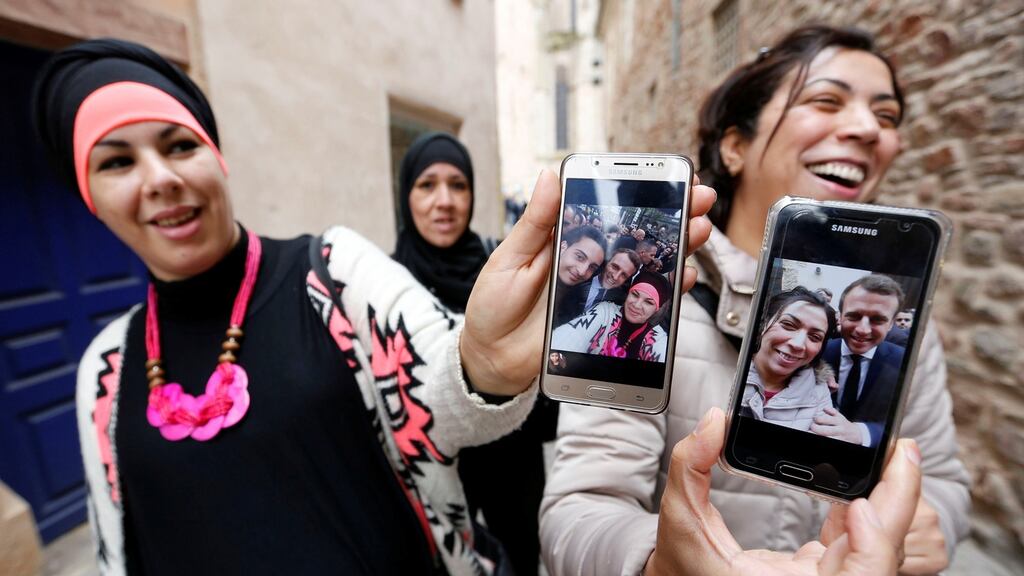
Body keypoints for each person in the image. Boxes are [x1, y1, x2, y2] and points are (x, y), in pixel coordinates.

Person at [28, 38, 713, 576]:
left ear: (217, 156)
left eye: (180, 145)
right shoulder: (105, 371)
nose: (162, 179)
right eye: (117, 161)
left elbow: (439, 391)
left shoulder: (334, 273)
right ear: (88, 195)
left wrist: (481, 364)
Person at [542, 25, 969, 576]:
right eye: (826, 100)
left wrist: (929, 525)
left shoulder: (900, 336)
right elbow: (579, 510)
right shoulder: (655, 304)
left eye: (886, 117)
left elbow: (943, 482)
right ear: (736, 146)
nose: (867, 129)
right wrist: (659, 560)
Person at [391, 131, 552, 576]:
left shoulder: (504, 266)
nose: (444, 200)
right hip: (437, 469)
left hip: (511, 462)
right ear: (406, 194)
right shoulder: (386, 284)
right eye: (427, 185)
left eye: (457, 185)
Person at [816, 274, 906, 448]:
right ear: (840, 316)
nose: (863, 330)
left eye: (877, 320)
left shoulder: (903, 362)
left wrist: (861, 433)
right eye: (854, 316)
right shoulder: (816, 351)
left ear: (891, 324)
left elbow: (910, 423)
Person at [741, 287, 836, 432]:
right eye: (788, 325)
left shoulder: (819, 392)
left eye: (815, 337)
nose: (797, 344)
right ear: (764, 323)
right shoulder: (727, 363)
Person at [551, 270, 671, 362]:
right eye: (635, 295)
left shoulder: (658, 338)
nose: (637, 305)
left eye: (648, 302)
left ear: (657, 309)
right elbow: (574, 333)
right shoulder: (605, 312)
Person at [561, 248, 641, 322]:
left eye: (623, 275)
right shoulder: (576, 280)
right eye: (615, 267)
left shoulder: (619, 300)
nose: (616, 277)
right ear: (606, 262)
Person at [552, 226, 608, 326]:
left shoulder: (576, 300)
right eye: (579, 257)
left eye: (592, 267)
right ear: (563, 247)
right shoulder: (530, 282)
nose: (582, 271)